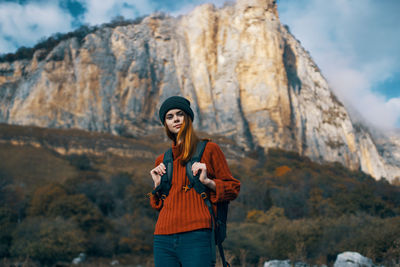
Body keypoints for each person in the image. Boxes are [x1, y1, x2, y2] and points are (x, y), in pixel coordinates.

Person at [149, 96, 240, 267]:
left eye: (180, 114)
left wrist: (207, 181)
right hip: (163, 237)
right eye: (170, 117)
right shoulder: (162, 160)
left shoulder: (210, 149)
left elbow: (233, 188)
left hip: (197, 234)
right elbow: (158, 205)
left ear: (188, 118)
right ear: (166, 124)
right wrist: (157, 185)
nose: (175, 119)